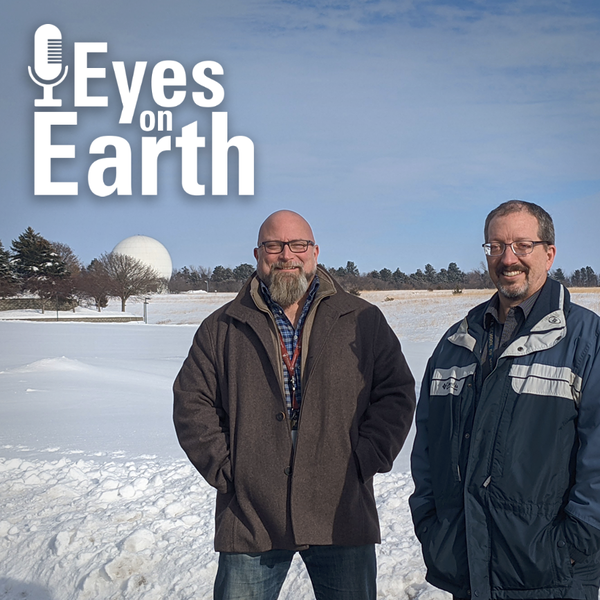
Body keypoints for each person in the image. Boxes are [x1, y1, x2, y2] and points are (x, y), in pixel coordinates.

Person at [174, 209, 416, 600]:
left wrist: (365, 459)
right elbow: (191, 402)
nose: (286, 254)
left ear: (315, 252)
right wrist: (228, 468)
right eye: (274, 245)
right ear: (258, 254)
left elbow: (396, 392)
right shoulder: (222, 327)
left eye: (298, 244)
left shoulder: (362, 319)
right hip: (252, 512)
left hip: (340, 507)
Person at [410, 200, 600, 600]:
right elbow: (427, 444)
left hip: (552, 574)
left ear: (549, 254)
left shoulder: (586, 341)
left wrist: (573, 542)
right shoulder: (456, 342)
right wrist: (430, 522)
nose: (507, 258)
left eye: (521, 246)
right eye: (495, 247)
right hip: (467, 567)